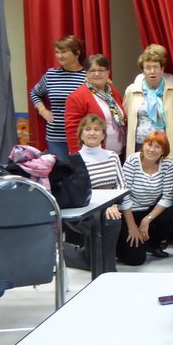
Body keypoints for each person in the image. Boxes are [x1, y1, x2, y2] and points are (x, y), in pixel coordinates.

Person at [63, 114, 124, 272]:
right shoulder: (74, 160)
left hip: (110, 206)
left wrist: (113, 205)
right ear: (81, 134)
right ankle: (108, 271)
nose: (92, 133)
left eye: (97, 129)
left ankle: (73, 255)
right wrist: (103, 206)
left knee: (112, 219)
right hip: (86, 209)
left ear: (103, 135)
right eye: (88, 129)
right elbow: (76, 193)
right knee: (107, 221)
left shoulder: (113, 157)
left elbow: (121, 185)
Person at [118, 131, 173, 265]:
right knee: (136, 260)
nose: (152, 150)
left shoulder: (167, 164)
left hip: (148, 211)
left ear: (163, 152)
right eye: (149, 145)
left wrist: (146, 220)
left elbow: (167, 197)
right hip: (128, 212)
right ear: (143, 145)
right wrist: (132, 227)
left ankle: (151, 245)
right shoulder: (133, 160)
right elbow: (124, 196)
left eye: (157, 147)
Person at [123, 44, 173, 163]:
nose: (152, 71)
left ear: (162, 69)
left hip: (164, 148)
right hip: (139, 146)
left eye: (156, 67)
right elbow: (127, 115)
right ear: (143, 71)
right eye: (148, 68)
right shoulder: (131, 91)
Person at [29, 35, 87, 158]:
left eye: (64, 52)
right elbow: (34, 93)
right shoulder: (51, 75)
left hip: (82, 136)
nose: (59, 56)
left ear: (77, 53)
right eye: (57, 52)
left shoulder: (88, 76)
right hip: (56, 137)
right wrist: (42, 110)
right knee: (60, 168)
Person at [64, 54, 126, 156]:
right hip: (92, 157)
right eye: (92, 71)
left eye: (101, 70)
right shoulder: (76, 97)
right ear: (87, 73)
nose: (97, 74)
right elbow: (73, 132)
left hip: (118, 154)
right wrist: (78, 157)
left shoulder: (113, 91)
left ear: (108, 72)